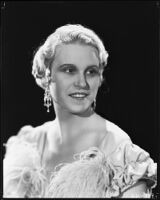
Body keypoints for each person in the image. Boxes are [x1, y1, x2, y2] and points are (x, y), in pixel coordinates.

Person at [3, 24, 157, 198]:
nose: (82, 83)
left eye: (91, 72)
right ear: (47, 76)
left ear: (99, 78)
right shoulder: (29, 142)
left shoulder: (119, 150)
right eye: (69, 70)